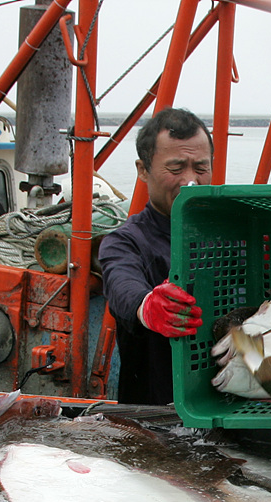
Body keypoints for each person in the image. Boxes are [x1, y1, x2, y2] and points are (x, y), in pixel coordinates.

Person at [99, 107, 211, 405]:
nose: (190, 180)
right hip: (154, 416)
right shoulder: (125, 242)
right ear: (143, 169)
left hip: (232, 407)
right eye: (176, 169)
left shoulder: (237, 235)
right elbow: (121, 285)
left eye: (201, 168)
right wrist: (147, 306)